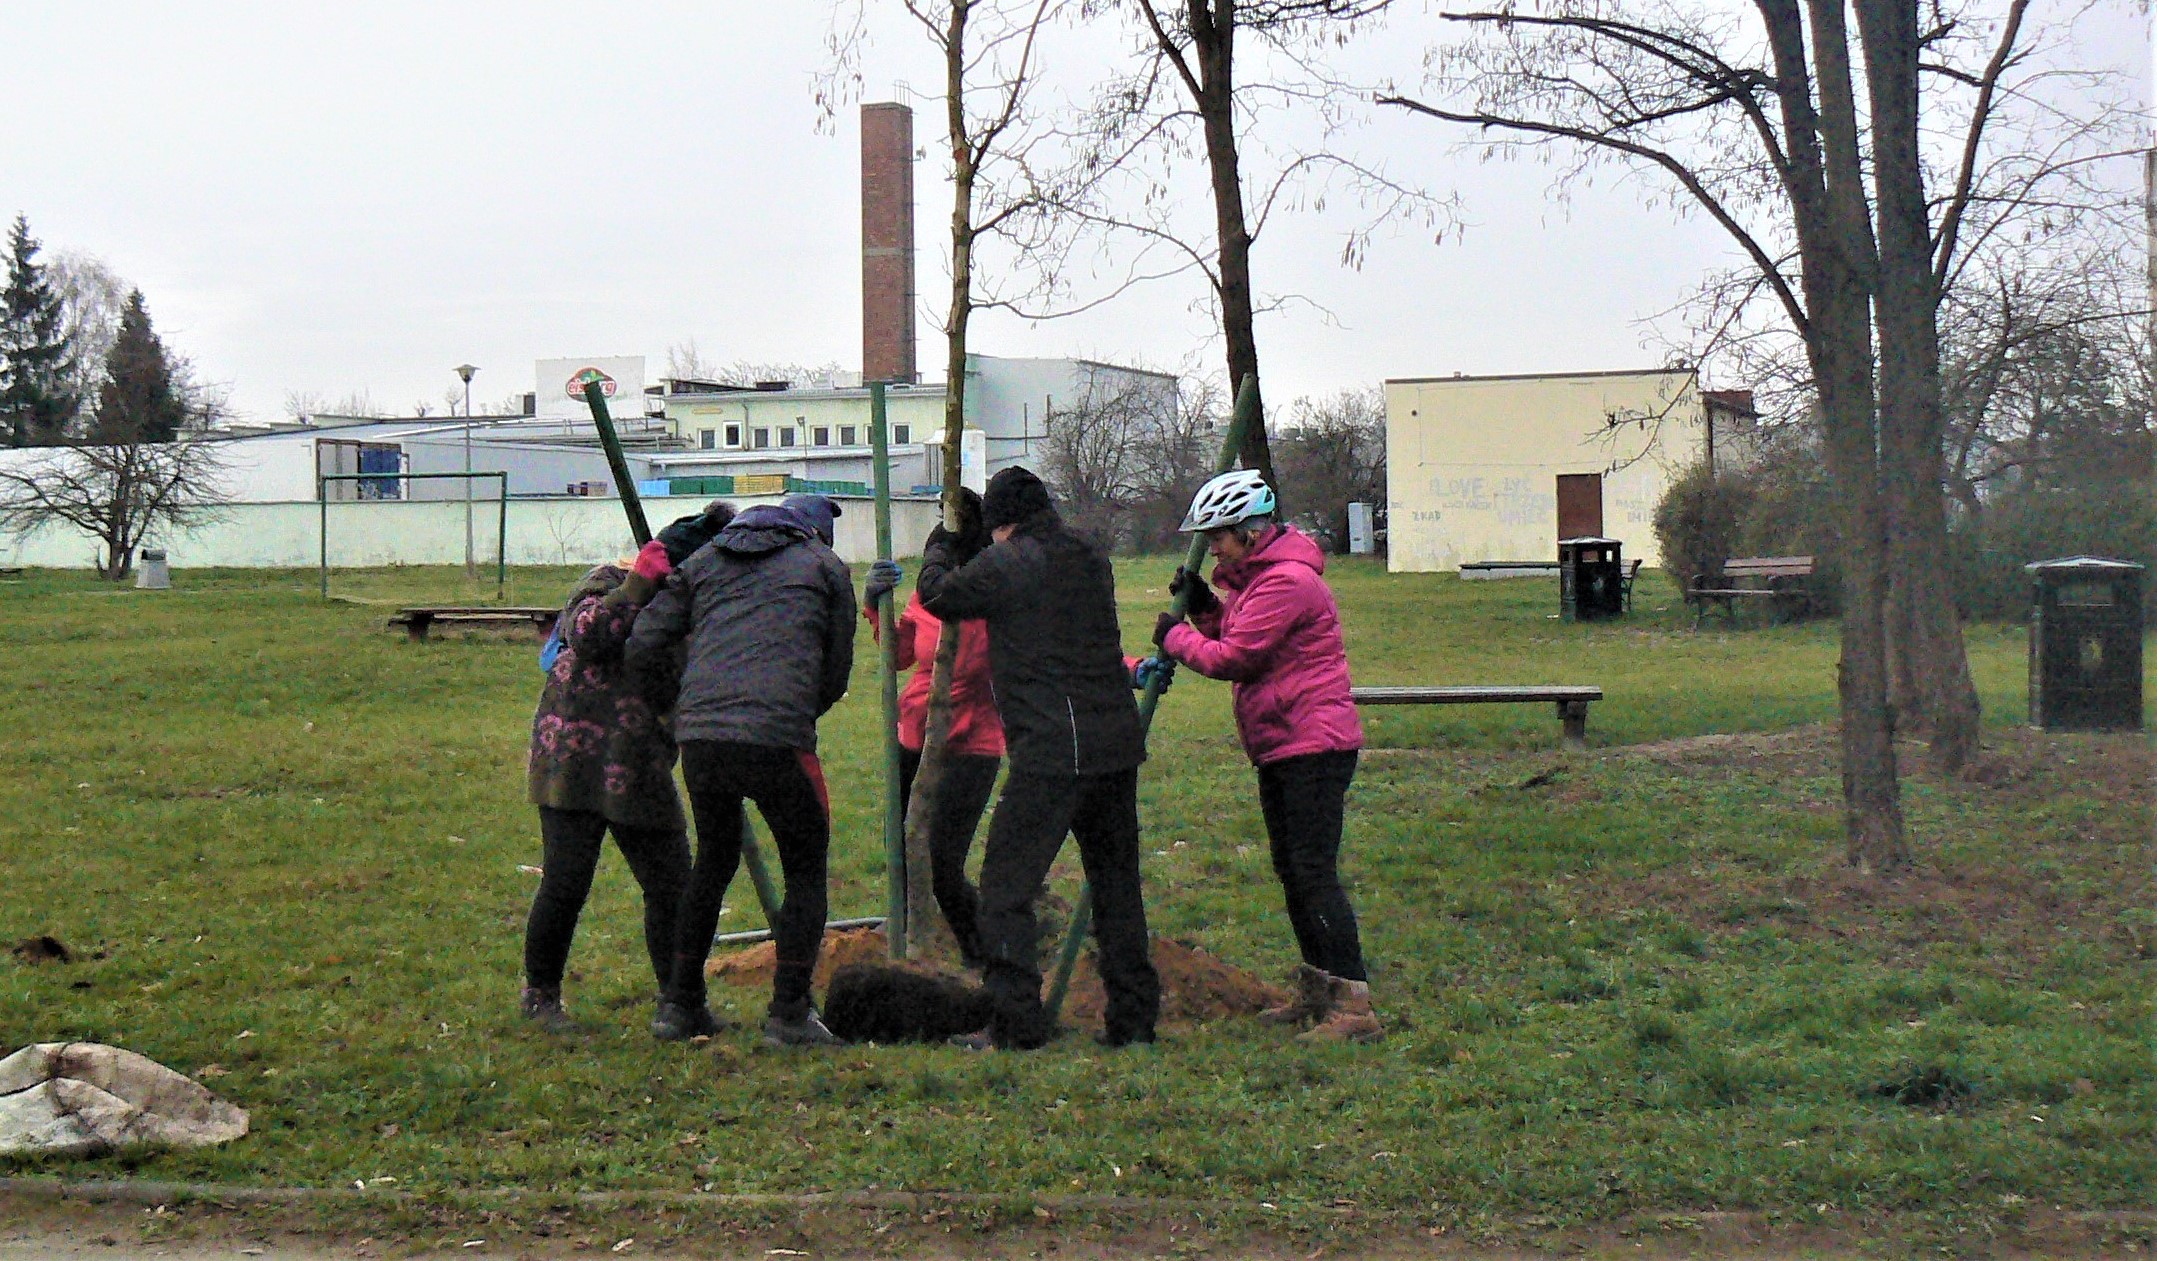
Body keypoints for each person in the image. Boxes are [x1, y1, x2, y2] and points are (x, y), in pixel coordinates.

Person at [917, 466, 1160, 1050]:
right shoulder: (1087, 552)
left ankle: (1015, 1023)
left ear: (1001, 523)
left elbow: (939, 595)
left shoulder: (1011, 561)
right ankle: (1132, 1023)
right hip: (1113, 743)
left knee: (1005, 890)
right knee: (1116, 886)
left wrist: (940, 548)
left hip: (1053, 749)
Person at [1153, 469, 1381, 1042]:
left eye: (1220, 536)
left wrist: (1175, 640)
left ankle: (1354, 1008)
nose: (1214, 549)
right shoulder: (1261, 582)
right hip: (1284, 743)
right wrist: (1206, 606)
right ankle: (1319, 991)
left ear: (1251, 532)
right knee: (1293, 872)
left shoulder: (1288, 583)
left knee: (1312, 872)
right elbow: (1237, 627)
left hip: (1313, 745)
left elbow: (1236, 656)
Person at [626, 494, 856, 1047]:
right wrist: (799, 709)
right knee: (804, 864)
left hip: (703, 739)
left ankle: (679, 1005)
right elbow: (837, 668)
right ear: (815, 533)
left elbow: (642, 643)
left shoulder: (702, 562)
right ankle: (789, 1014)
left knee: (712, 861)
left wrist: (680, 707)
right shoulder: (826, 567)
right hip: (779, 738)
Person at [520, 501, 738, 1034]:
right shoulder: (603, 583)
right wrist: (639, 586)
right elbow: (589, 637)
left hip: (640, 762)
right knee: (567, 881)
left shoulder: (696, 605)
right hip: (573, 756)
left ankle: (678, 1000)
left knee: (671, 887)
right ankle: (540, 997)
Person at [861, 487, 999, 967]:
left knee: (942, 863)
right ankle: (907, 935)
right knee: (902, 845)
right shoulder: (927, 593)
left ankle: (983, 956)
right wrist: (875, 605)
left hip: (971, 743)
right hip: (913, 735)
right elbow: (899, 654)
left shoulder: (992, 593)